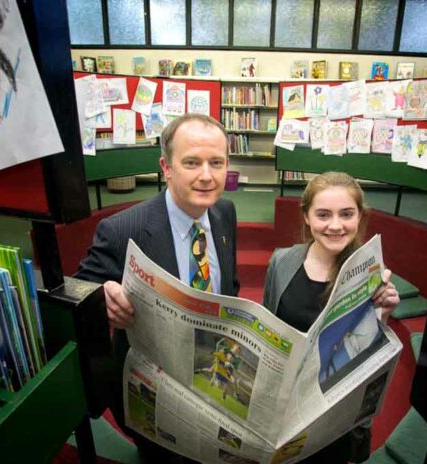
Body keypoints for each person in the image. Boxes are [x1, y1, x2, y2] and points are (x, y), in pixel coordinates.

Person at [76, 113, 239, 463]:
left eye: (217, 162)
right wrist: (100, 294)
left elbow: (231, 285)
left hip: (210, 379)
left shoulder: (225, 213)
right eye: (192, 163)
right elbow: (78, 291)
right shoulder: (121, 229)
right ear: (166, 167)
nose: (207, 176)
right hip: (153, 391)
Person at [262, 171, 400, 463]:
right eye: (323, 214)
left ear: (360, 217)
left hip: (333, 413)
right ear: (306, 217)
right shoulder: (281, 261)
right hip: (285, 406)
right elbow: (269, 326)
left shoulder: (371, 270)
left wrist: (382, 314)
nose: (335, 226)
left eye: (346, 214)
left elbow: (367, 356)